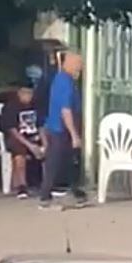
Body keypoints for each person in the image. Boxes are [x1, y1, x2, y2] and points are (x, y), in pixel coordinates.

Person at [39, 51, 87, 209]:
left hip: (59, 128)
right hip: (60, 129)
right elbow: (65, 110)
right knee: (55, 162)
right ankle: (45, 197)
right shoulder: (64, 82)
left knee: (69, 161)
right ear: (70, 63)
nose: (81, 67)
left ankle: (74, 192)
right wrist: (74, 134)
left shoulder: (66, 80)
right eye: (79, 63)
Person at [0, 80, 45, 199]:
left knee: (53, 146)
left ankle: (47, 183)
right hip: (18, 139)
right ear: (19, 93)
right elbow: (13, 131)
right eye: (25, 93)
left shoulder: (36, 105)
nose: (28, 96)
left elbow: (41, 126)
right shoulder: (11, 107)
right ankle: (22, 186)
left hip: (34, 136)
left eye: (30, 93)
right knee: (20, 154)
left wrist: (45, 143)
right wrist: (30, 145)